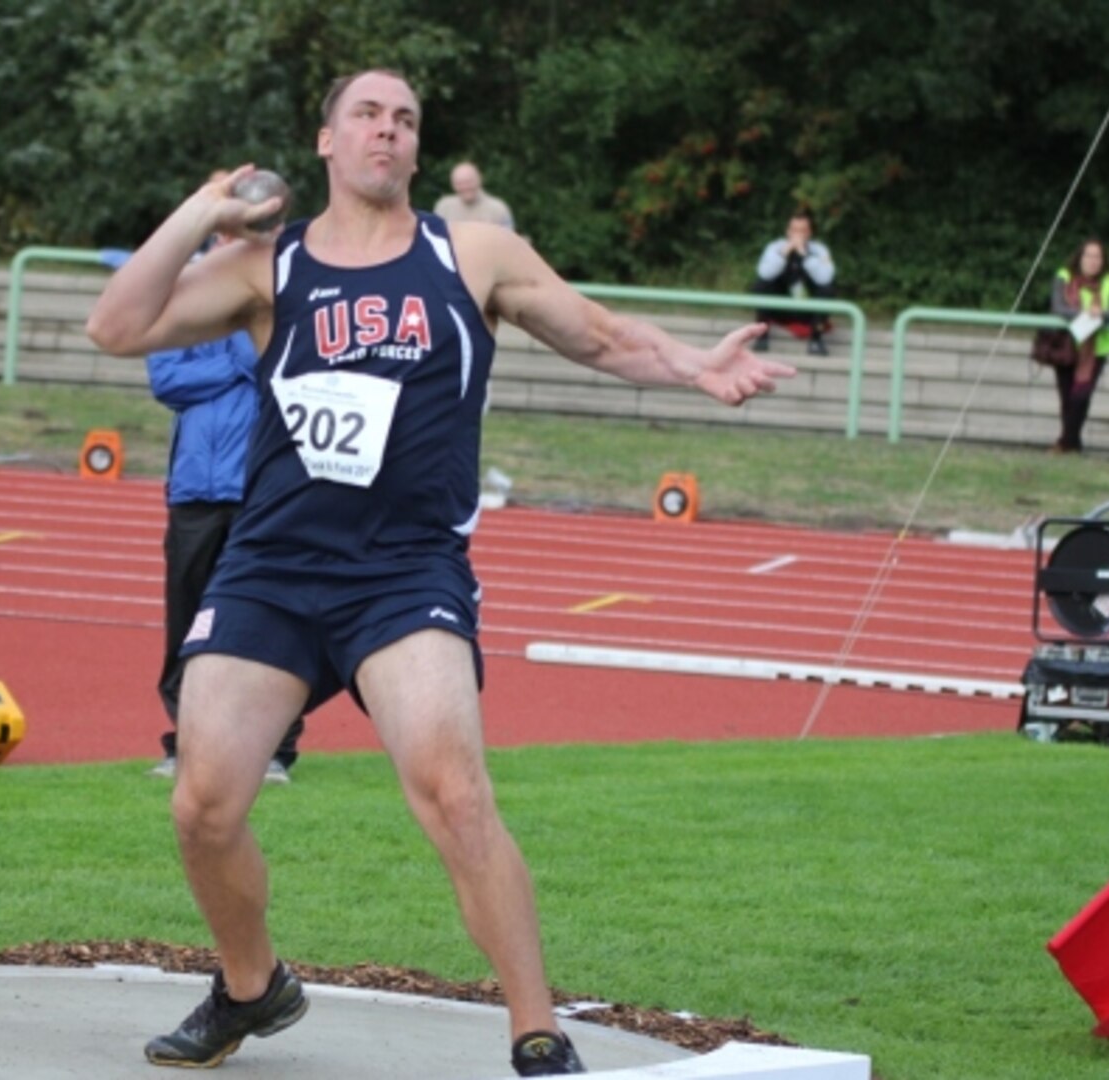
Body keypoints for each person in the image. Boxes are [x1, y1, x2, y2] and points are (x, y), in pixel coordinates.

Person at [86, 68, 794, 1077]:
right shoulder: (265, 266)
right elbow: (115, 328)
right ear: (327, 141)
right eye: (367, 115)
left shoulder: (469, 254)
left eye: (406, 120)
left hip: (403, 574)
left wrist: (693, 365)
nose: (388, 130)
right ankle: (252, 988)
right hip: (271, 570)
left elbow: (595, 330)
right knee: (202, 804)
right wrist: (205, 206)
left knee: (454, 793)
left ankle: (536, 1029)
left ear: (419, 151)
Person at [138, 234, 306, 785]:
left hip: (263, 488)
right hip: (195, 488)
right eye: (226, 231)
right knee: (187, 621)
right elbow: (166, 380)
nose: (234, 241)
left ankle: (276, 750)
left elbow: (277, 373)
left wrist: (233, 354)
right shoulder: (184, 298)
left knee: (271, 617)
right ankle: (185, 744)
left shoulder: (285, 294)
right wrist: (237, 368)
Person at [1047, 238, 1109, 454]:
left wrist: (1101, 315)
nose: (1093, 261)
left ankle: (1065, 443)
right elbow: (1058, 306)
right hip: (1066, 345)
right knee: (1067, 396)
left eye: (1097, 256)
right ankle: (1072, 443)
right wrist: (1085, 314)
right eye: (1088, 255)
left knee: (1081, 396)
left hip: (1096, 348)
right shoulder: (1064, 277)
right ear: (1080, 257)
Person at [750, 210, 835, 357]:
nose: (798, 235)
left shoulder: (820, 250)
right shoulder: (775, 247)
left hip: (808, 307)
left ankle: (816, 339)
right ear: (788, 231)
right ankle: (761, 335)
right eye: (794, 230)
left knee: (827, 289)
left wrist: (805, 255)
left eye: (803, 230)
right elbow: (764, 273)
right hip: (781, 306)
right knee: (761, 284)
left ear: (810, 233)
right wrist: (784, 253)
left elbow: (825, 278)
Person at [434, 161, 515, 230]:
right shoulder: (444, 207)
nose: (464, 187)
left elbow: (509, 240)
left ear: (479, 180)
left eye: (468, 182)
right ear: (453, 185)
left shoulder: (498, 209)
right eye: (459, 183)